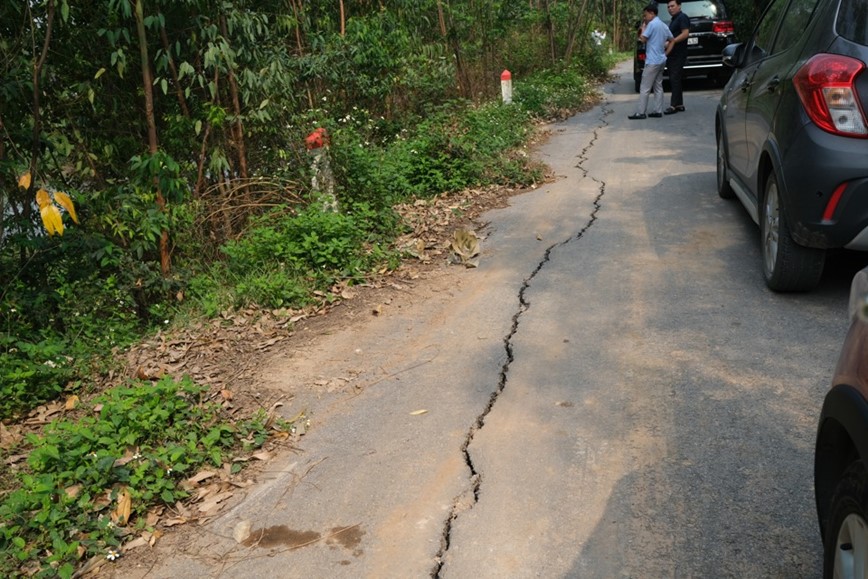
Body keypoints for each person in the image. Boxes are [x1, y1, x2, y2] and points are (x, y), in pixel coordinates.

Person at [629, 4, 673, 120]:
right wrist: (666, 53)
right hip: (661, 60)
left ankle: (641, 112)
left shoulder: (652, 24)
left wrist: (643, 28)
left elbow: (643, 39)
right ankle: (658, 110)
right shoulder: (663, 25)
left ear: (652, 13)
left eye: (646, 15)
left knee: (644, 87)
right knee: (658, 85)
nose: (645, 17)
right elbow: (672, 40)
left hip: (652, 61)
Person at [664, 0, 691, 114]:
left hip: (678, 53)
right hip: (672, 53)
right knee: (675, 78)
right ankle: (679, 104)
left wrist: (673, 41)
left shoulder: (682, 17)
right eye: (668, 7)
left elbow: (685, 33)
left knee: (674, 78)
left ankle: (673, 105)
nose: (670, 8)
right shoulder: (674, 19)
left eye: (673, 6)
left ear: (679, 6)